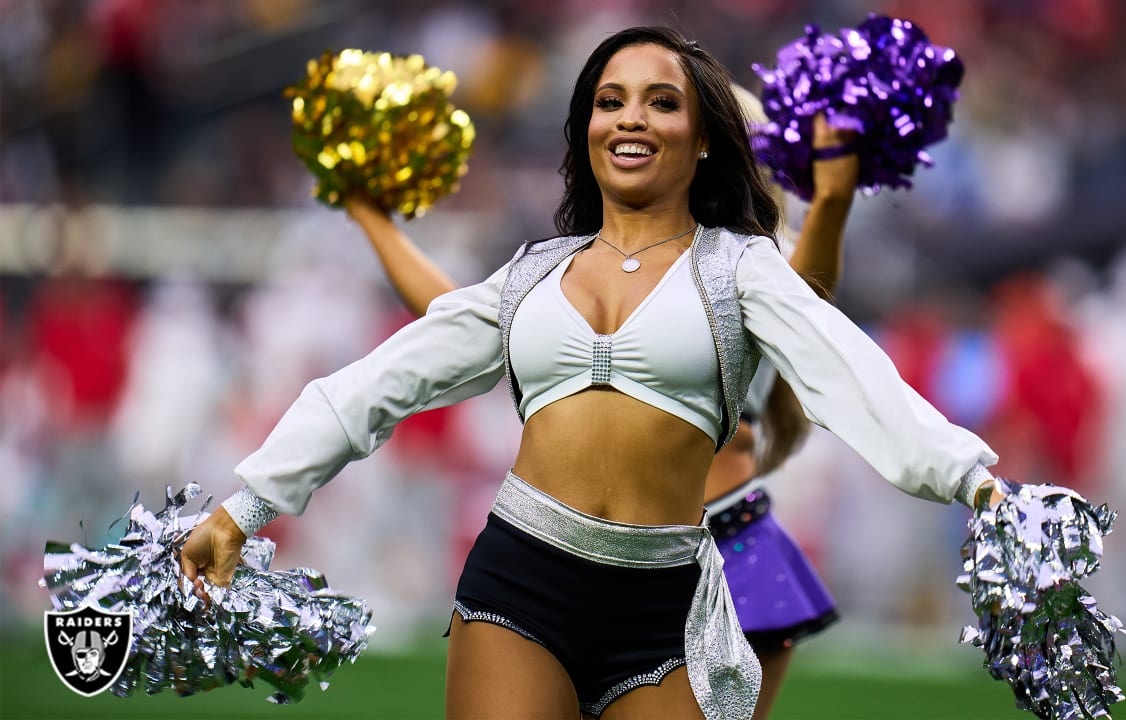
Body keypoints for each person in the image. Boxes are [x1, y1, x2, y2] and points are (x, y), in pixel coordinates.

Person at [181, 26, 1001, 719]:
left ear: (705, 134)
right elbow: (384, 380)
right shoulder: (533, 272)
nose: (630, 118)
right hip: (521, 582)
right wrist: (247, 506)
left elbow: (856, 376)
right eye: (609, 101)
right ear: (584, 131)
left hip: (667, 607)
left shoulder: (745, 268)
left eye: (662, 101)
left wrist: (978, 484)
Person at [343, 90, 860, 716]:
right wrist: (371, 218)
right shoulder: (608, 261)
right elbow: (460, 321)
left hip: (725, 553)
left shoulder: (757, 268)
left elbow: (812, 293)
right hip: (596, 549)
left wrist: (833, 200)